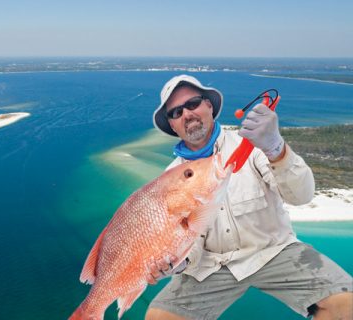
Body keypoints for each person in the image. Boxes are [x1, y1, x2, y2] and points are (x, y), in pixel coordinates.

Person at [145, 74, 353, 320]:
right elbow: (186, 240)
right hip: (211, 265)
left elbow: (302, 195)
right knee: (159, 317)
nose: (187, 114)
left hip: (273, 250)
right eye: (176, 112)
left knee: (346, 304)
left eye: (193, 104)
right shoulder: (170, 178)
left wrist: (276, 147)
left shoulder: (253, 143)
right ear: (172, 125)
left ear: (209, 106)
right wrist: (175, 263)